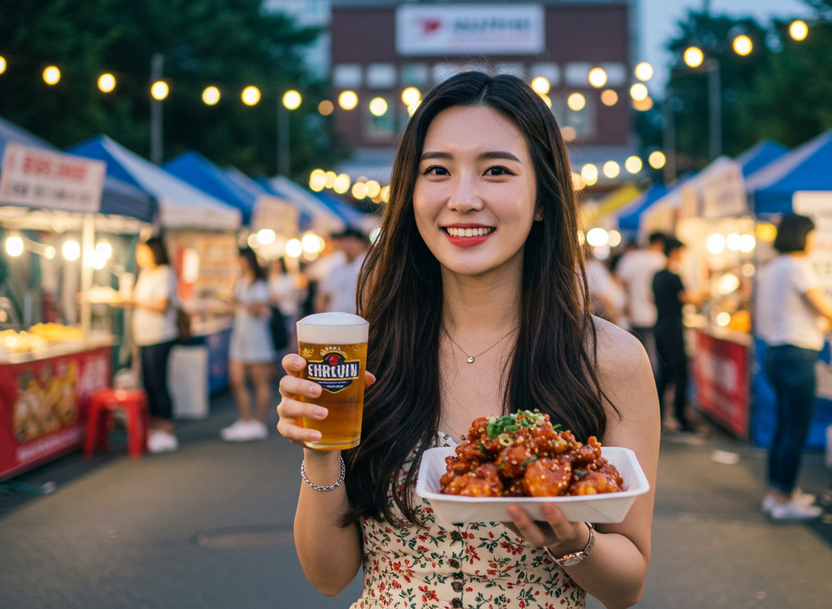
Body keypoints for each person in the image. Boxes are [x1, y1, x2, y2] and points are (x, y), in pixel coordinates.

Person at [276, 71, 659, 608]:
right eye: (437, 171)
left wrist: (572, 539)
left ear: (544, 197)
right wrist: (321, 450)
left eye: (496, 171)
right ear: (411, 194)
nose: (462, 199)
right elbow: (328, 575)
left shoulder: (608, 359)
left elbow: (628, 585)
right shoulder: (369, 355)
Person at [755, 214, 832, 521]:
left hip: (775, 353)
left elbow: (796, 313)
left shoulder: (771, 268)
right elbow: (822, 306)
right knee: (795, 428)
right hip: (797, 356)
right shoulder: (797, 267)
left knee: (784, 426)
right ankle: (783, 497)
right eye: (812, 236)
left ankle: (777, 492)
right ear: (803, 236)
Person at [117, 236, 180, 453]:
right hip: (143, 336)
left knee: (158, 382)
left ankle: (166, 428)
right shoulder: (144, 274)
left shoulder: (165, 273)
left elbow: (161, 305)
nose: (139, 257)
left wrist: (134, 301)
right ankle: (155, 427)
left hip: (160, 336)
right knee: (149, 383)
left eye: (143, 252)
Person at [652, 237, 706, 433]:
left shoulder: (657, 275)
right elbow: (689, 299)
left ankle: (656, 415)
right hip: (673, 329)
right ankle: (681, 417)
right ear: (674, 252)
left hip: (659, 327)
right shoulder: (673, 276)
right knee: (680, 373)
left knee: (664, 374)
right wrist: (705, 293)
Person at [221, 247, 273, 442]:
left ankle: (258, 422)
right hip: (240, 336)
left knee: (259, 381)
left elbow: (259, 310)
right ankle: (245, 419)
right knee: (237, 379)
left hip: (256, 337)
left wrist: (239, 301)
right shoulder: (240, 282)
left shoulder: (260, 284)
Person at [615, 231, 667, 370]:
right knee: (656, 356)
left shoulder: (631, 258)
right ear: (660, 244)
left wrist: (628, 299)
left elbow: (620, 280)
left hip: (635, 313)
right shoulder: (661, 260)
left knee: (639, 353)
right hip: (656, 314)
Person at [316, 228, 368, 314]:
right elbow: (322, 295)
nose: (349, 245)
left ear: (361, 244)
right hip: (334, 320)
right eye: (346, 240)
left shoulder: (368, 268)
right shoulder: (335, 268)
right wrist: (321, 317)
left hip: (358, 320)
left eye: (353, 241)